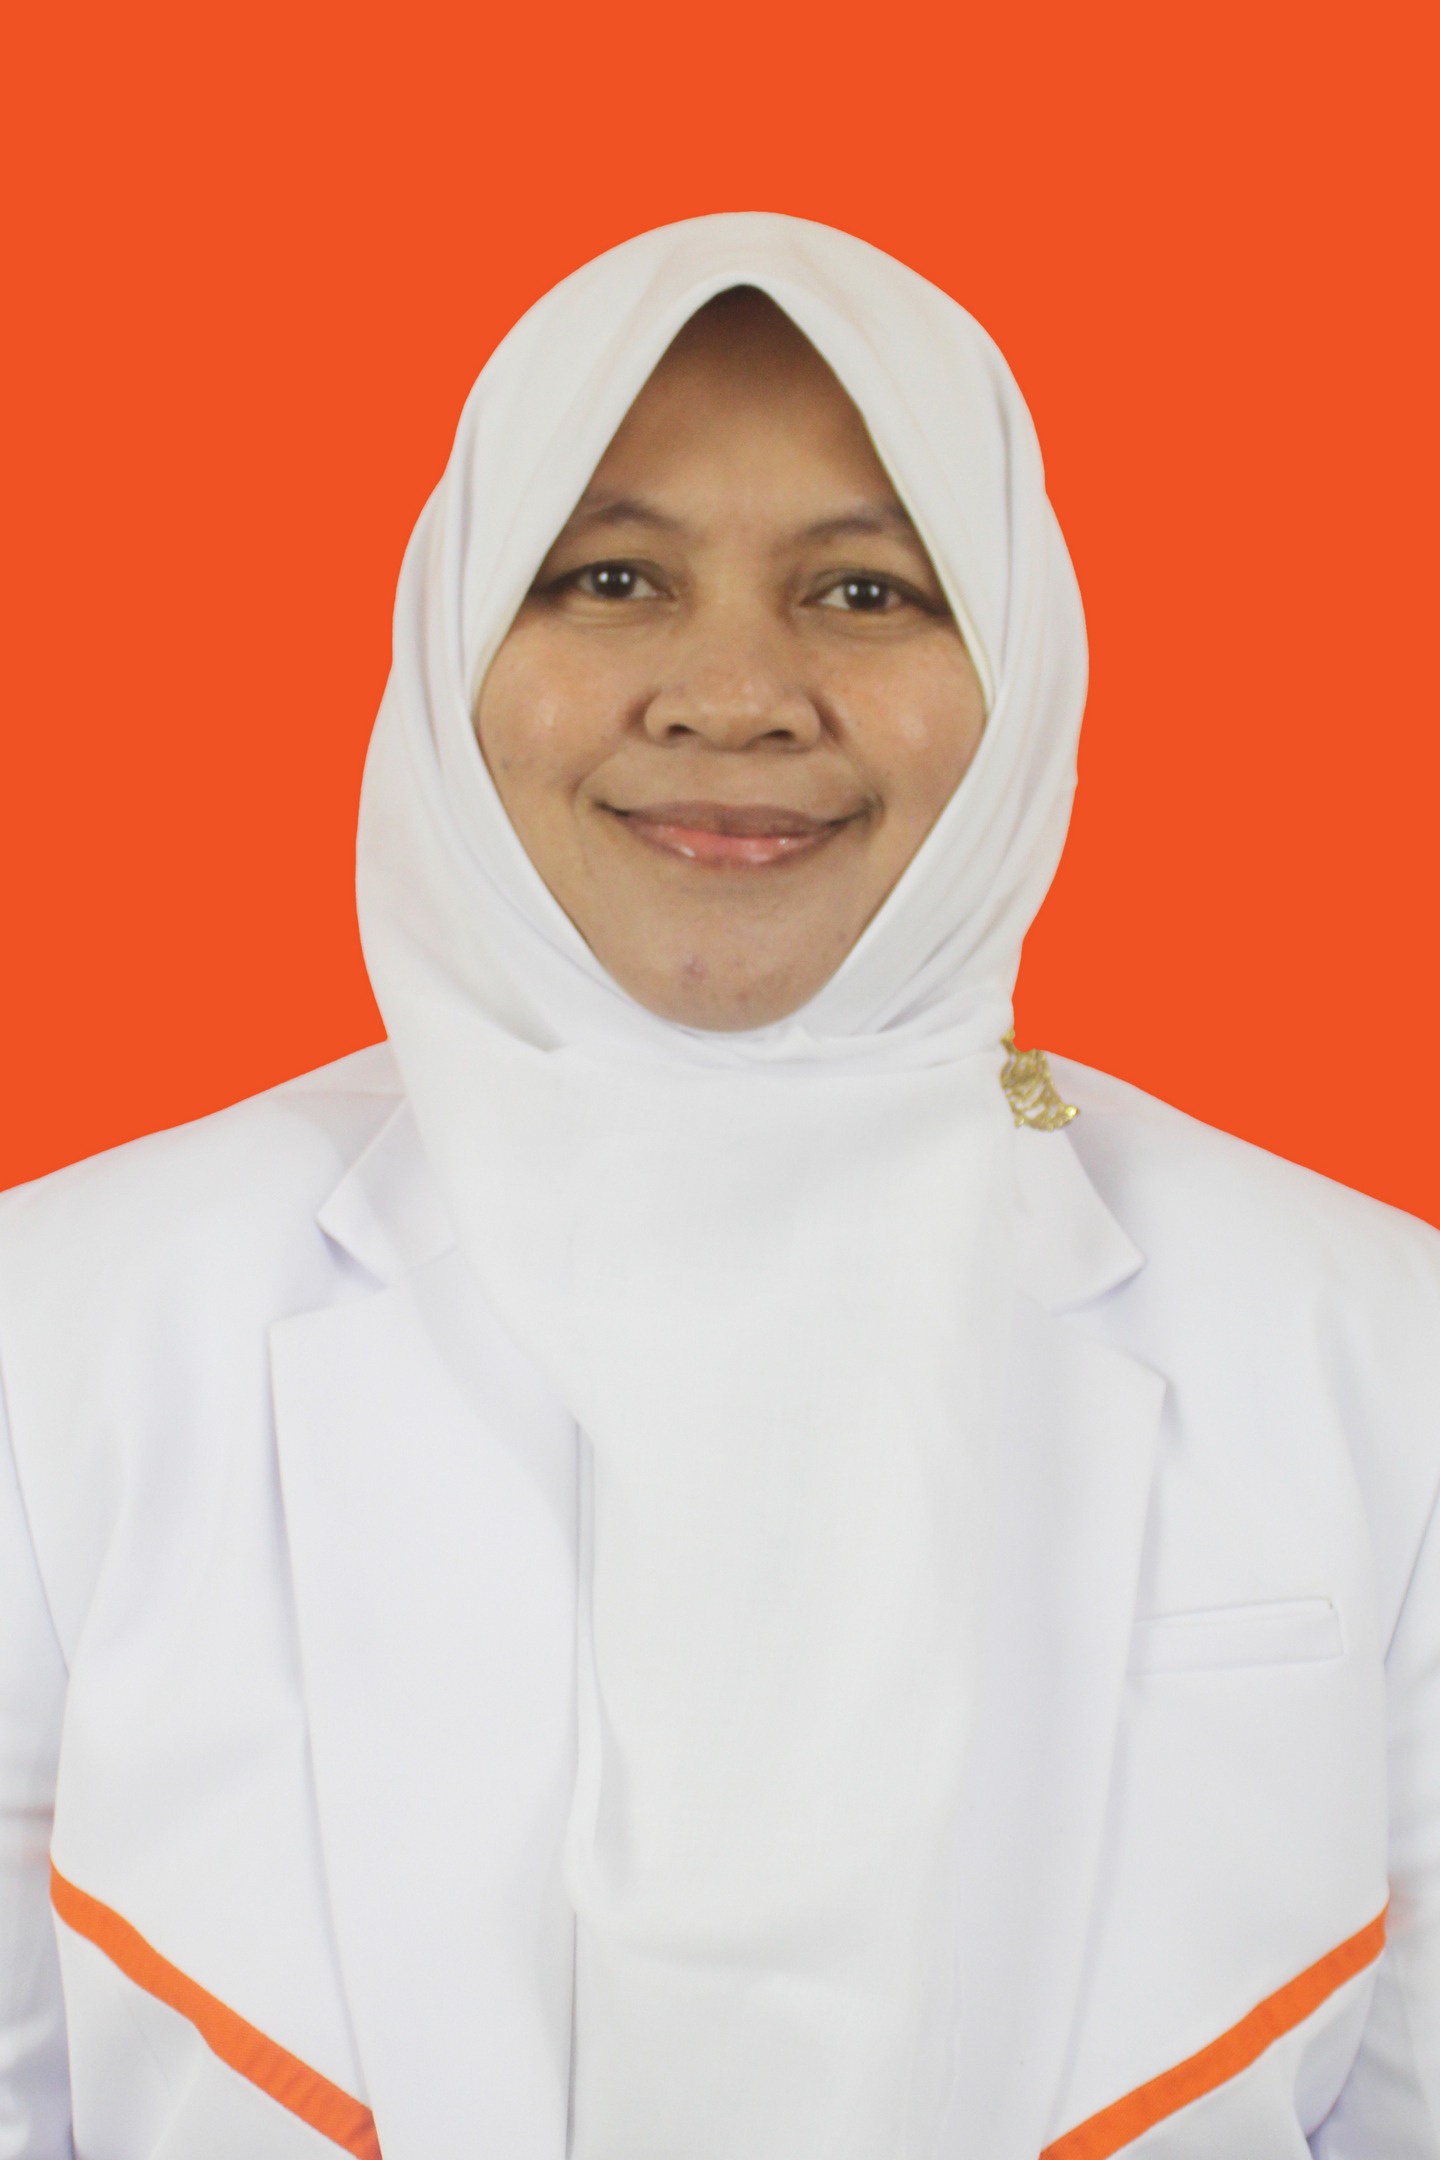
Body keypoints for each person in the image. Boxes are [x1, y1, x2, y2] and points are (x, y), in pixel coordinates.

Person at [1, 213, 1436, 2160]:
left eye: (865, 590)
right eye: (610, 577)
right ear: (452, 651)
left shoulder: (1378, 1352)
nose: (736, 691)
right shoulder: (61, 1339)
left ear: (1021, 677)